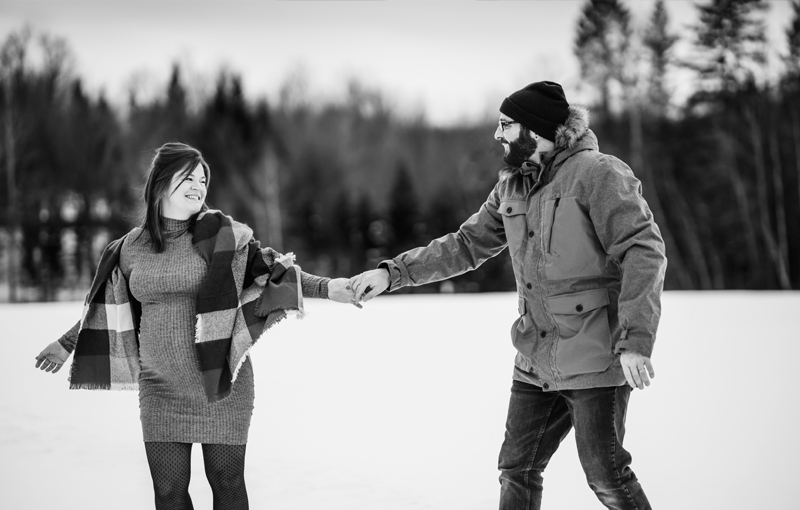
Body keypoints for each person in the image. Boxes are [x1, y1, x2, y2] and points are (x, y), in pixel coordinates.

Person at [350, 81, 667, 509]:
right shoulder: (512, 187)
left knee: (606, 475)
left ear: (535, 129)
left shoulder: (598, 174)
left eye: (505, 125)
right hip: (535, 355)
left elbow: (643, 251)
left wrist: (635, 341)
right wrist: (394, 275)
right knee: (516, 469)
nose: (497, 135)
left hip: (596, 356)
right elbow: (466, 244)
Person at [34, 142, 357, 510]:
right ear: (159, 184)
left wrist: (332, 288)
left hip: (220, 383)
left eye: (202, 180)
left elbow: (278, 272)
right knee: (168, 492)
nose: (197, 186)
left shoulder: (224, 237)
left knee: (226, 482)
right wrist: (66, 343)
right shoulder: (129, 249)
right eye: (187, 177)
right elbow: (111, 308)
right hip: (159, 387)